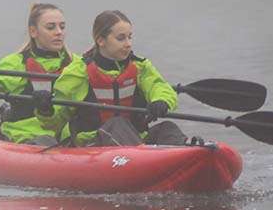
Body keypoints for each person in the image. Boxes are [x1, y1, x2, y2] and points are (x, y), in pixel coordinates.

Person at [35, 10, 186, 147]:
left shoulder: (140, 66)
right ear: (101, 41)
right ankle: (144, 162)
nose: (128, 44)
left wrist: (162, 101)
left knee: (168, 128)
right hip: (92, 144)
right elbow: (55, 122)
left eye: (129, 37)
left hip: (135, 140)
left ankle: (181, 159)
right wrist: (45, 110)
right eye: (121, 38)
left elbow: (158, 86)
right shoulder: (78, 72)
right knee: (117, 124)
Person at [0, 3, 74, 145]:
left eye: (62, 27)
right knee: (45, 141)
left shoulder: (76, 64)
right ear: (33, 31)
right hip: (25, 135)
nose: (59, 32)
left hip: (67, 135)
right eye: (51, 27)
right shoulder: (15, 64)